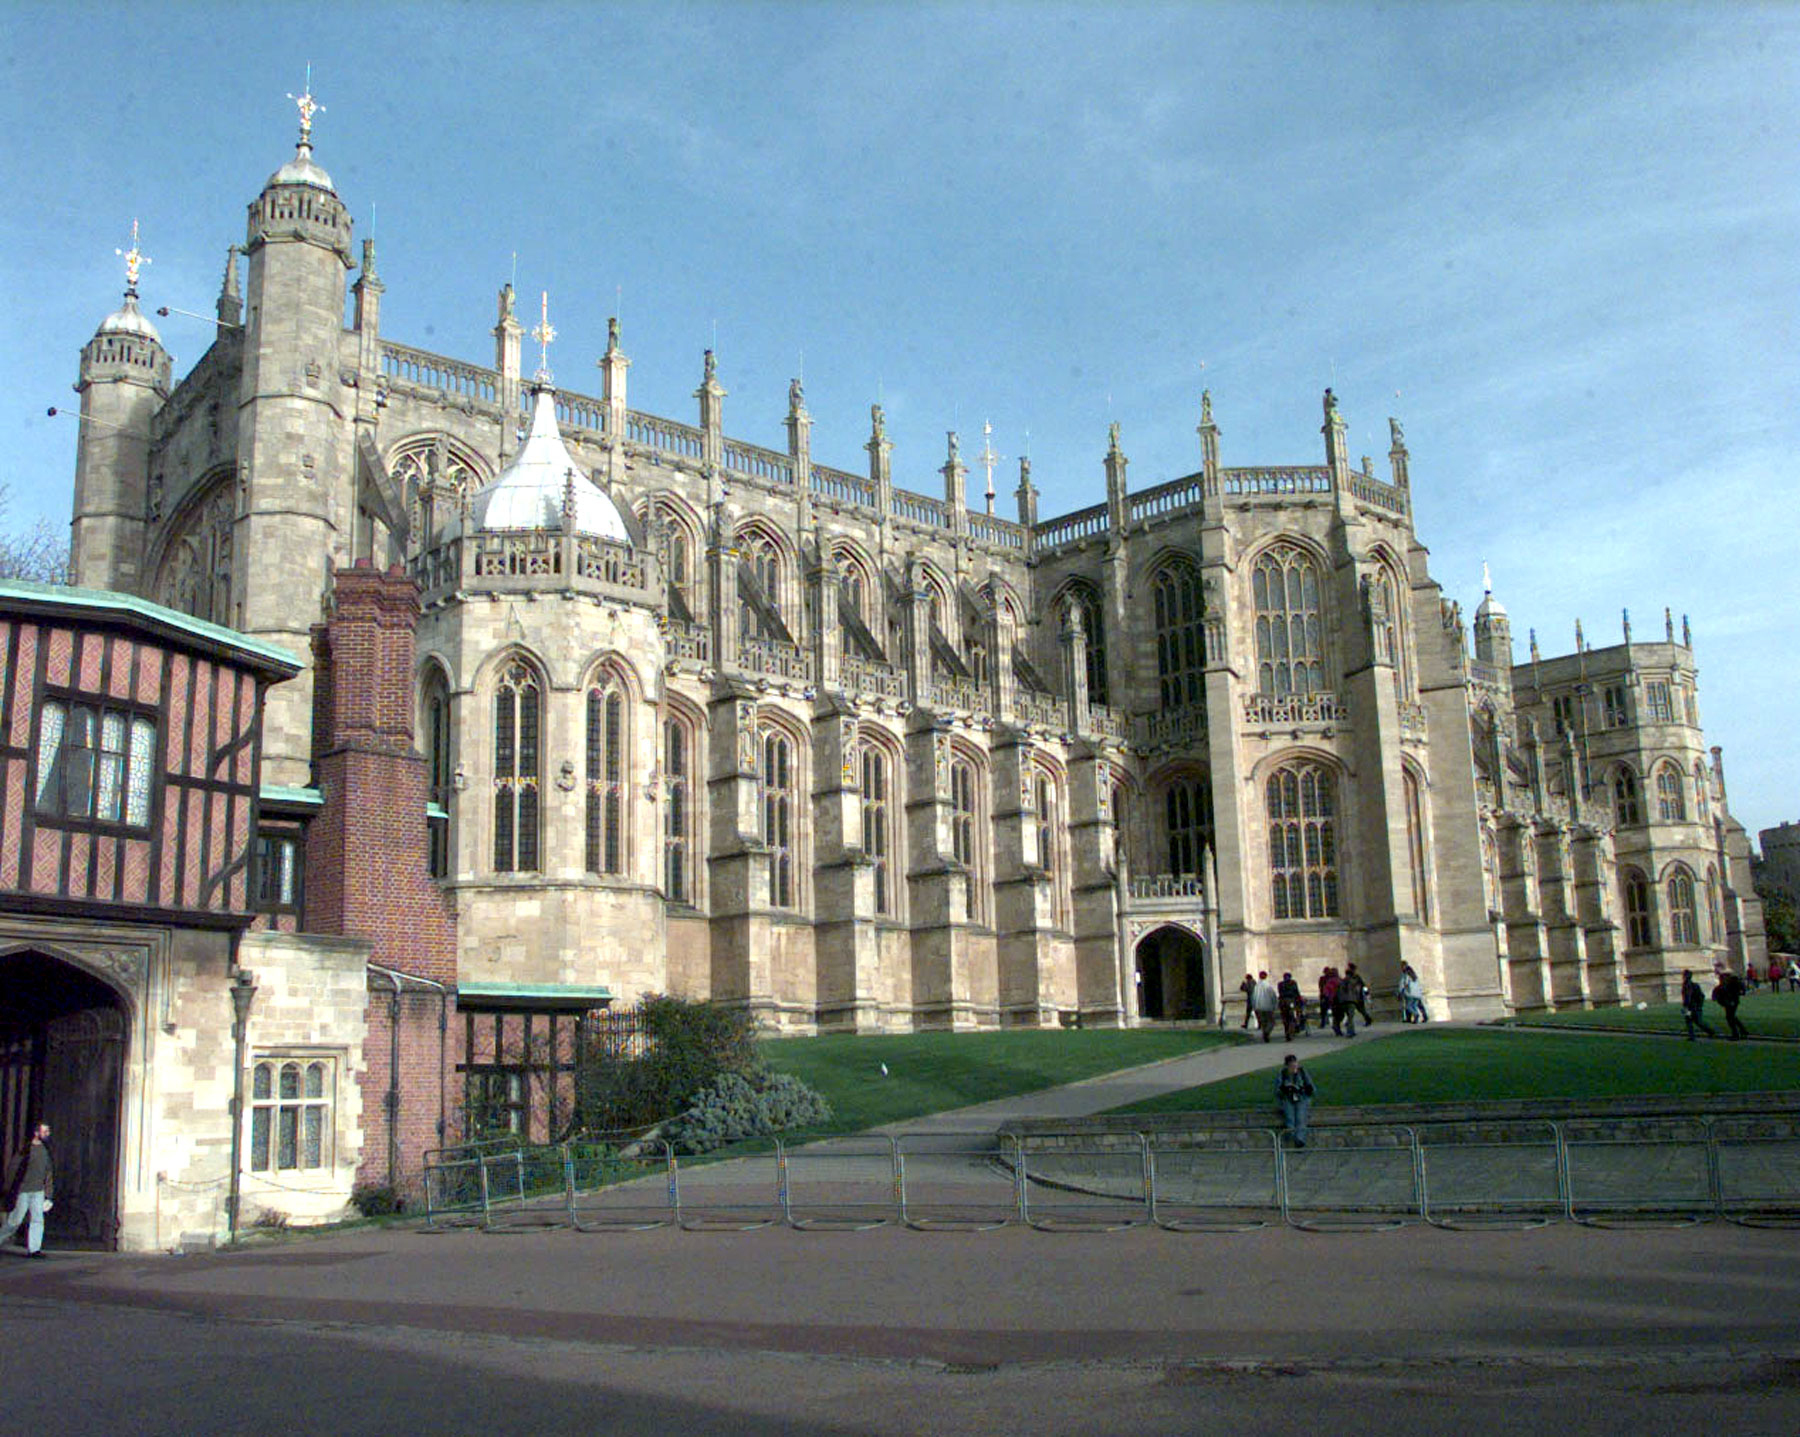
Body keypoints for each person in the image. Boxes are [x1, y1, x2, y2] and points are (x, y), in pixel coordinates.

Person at [0, 1122, 54, 1258]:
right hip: (23, 1190)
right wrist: (9, 1189)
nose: (47, 1134)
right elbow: (14, 1170)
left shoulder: (46, 1150)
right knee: (15, 1221)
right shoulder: (25, 1150)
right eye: (44, 1131)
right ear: (36, 1133)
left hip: (38, 1191)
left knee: (37, 1219)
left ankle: (34, 1249)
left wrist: (48, 1194)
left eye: (48, 1132)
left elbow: (48, 1173)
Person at [1275, 1054, 1315, 1147]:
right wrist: (1286, 1089)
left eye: (1295, 1065)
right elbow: (1278, 1091)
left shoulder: (1302, 1072)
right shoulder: (1282, 1074)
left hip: (1301, 1098)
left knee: (1300, 1118)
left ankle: (1300, 1140)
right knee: (1290, 1119)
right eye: (1291, 1066)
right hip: (1287, 1099)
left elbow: (1311, 1087)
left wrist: (1302, 1089)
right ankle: (1292, 1136)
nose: (1293, 1068)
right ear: (1287, 1066)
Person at [1714, 966, 1748, 1040]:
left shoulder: (1729, 982)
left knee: (1730, 1018)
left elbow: (1726, 991)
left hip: (1730, 1001)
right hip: (1731, 1001)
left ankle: (1736, 1034)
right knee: (1732, 1017)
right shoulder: (1732, 981)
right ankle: (1743, 1030)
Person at [1680, 970, 1715, 1041]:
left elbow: (1689, 997)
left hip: (1691, 1007)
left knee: (1695, 1021)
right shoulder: (1692, 985)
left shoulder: (1688, 985)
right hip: (1691, 1006)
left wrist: (1687, 1005)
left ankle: (1709, 1032)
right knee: (1691, 1021)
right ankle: (1693, 1035)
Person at [1250, 971, 1280, 1043]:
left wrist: (1254, 1006)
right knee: (1271, 1022)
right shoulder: (1268, 986)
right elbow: (1273, 997)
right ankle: (1267, 1032)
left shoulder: (1256, 987)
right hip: (1268, 1007)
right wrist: (1275, 1005)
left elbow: (1253, 997)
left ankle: (1265, 1033)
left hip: (1259, 1007)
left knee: (1263, 1023)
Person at [1276, 971, 1306, 1040]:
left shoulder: (1280, 984)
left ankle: (1287, 1032)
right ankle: (1290, 1032)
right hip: (1291, 1002)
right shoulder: (1293, 983)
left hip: (1283, 1002)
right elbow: (1296, 993)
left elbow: (1280, 993)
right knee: (1291, 1018)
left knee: (1285, 1018)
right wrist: (1300, 1001)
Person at [1343, 963, 1374, 1028]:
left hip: (1354, 996)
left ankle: (1349, 1022)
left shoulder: (1352, 978)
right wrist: (1366, 993)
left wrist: (1366, 993)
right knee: (1360, 1010)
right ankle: (1367, 1019)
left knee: (1357, 1010)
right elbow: (1363, 986)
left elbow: (1363, 986)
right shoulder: (1356, 977)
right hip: (1357, 996)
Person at [1317, 967, 1339, 1033]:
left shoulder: (1329, 979)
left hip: (1329, 996)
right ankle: (1324, 1022)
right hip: (1326, 996)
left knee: (1331, 1010)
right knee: (1324, 1010)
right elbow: (1321, 987)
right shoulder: (1324, 979)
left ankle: (1327, 1023)